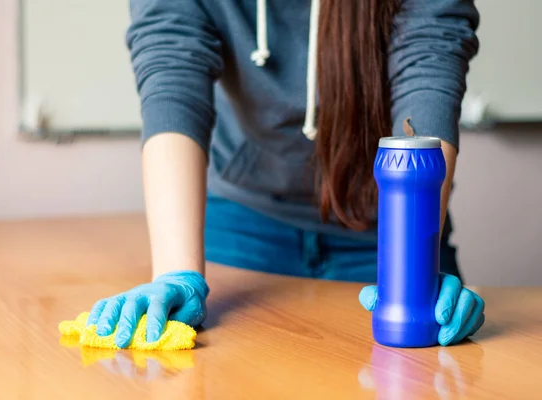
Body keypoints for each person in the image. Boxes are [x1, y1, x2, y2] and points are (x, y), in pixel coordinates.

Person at [87, 0, 485, 348]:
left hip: (388, 233)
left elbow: (431, 65)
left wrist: (414, 264)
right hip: (241, 228)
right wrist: (176, 272)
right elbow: (171, 72)